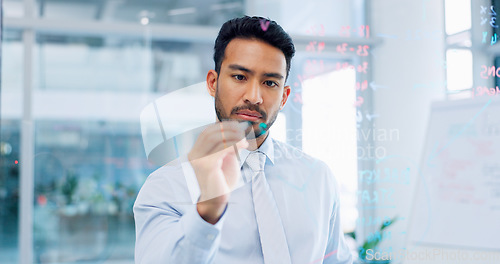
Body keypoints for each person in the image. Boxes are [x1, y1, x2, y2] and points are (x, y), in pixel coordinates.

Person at [133, 16, 353, 264]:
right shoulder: (165, 187)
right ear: (213, 83)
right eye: (240, 77)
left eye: (270, 83)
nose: (254, 96)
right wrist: (209, 210)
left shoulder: (318, 178)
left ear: (284, 96)